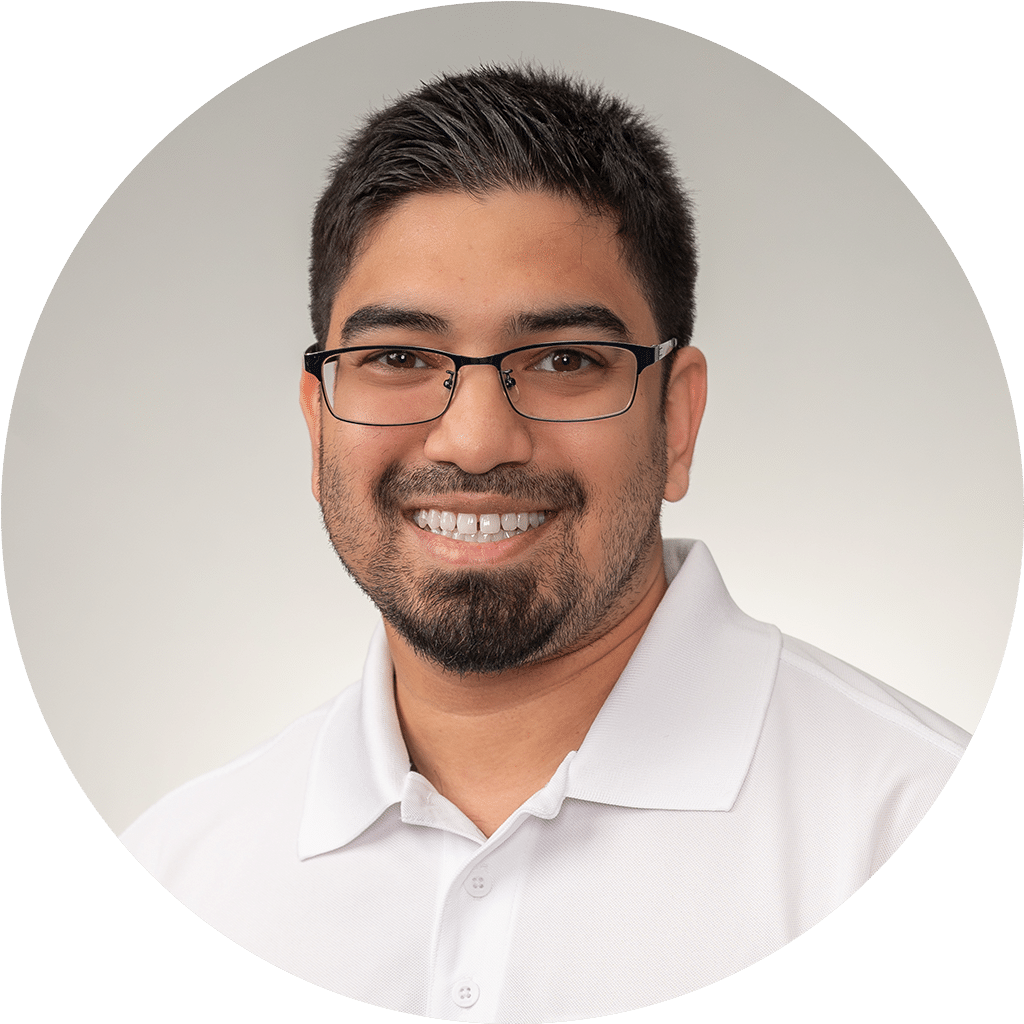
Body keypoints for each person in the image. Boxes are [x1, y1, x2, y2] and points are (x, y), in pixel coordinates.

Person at [122, 65, 969, 1022]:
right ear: (319, 423)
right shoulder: (180, 879)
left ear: (676, 421)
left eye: (565, 359)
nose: (476, 440)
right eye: (398, 357)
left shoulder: (918, 841)